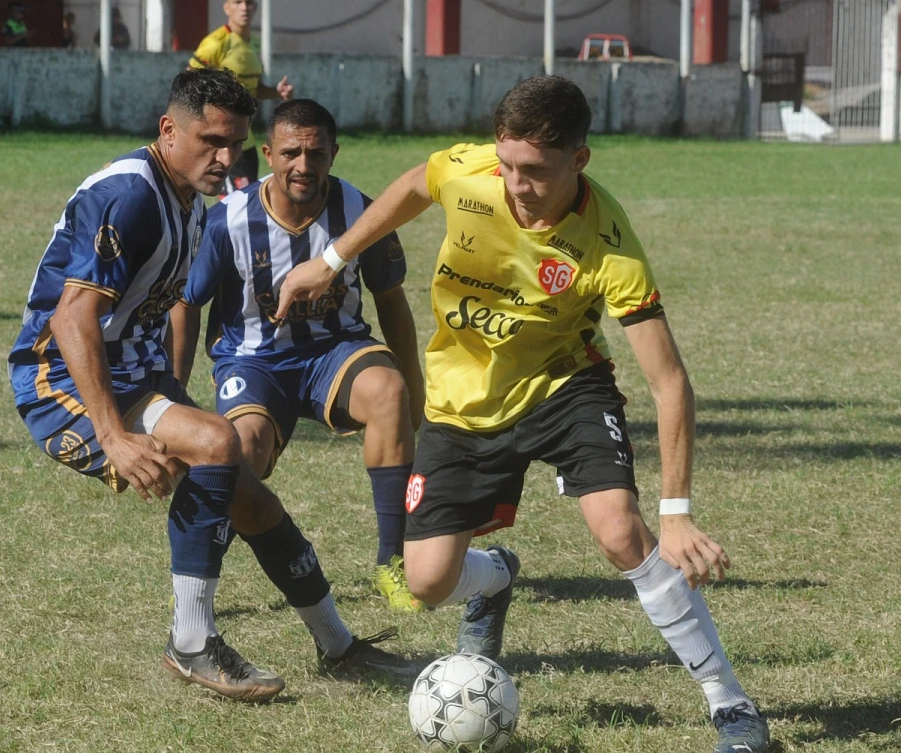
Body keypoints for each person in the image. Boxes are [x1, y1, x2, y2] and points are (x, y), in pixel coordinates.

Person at [276, 76, 771, 753]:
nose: (515, 184)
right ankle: (496, 577)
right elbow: (418, 183)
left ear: (579, 160)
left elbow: (670, 382)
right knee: (424, 583)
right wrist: (332, 259)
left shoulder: (608, 246)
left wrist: (676, 510)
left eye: (535, 171)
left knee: (620, 532)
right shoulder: (473, 170)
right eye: (507, 165)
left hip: (564, 386)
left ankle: (733, 710)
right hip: (461, 401)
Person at [7, 69, 410, 703]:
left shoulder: (188, 198)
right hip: (59, 381)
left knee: (250, 496)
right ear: (168, 130)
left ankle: (338, 646)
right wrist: (113, 436)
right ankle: (191, 640)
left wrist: (168, 387)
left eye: (236, 145)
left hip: (133, 377)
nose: (226, 159)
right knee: (221, 444)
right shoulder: (131, 195)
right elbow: (70, 316)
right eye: (211, 141)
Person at [168, 99, 426, 614]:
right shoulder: (228, 221)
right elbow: (186, 303)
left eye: (316, 153)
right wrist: (176, 396)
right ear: (267, 153)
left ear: (334, 153)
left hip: (337, 350)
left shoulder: (361, 213)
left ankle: (392, 563)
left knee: (388, 392)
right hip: (253, 362)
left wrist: (414, 387)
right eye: (290, 153)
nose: (303, 166)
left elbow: (391, 300)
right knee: (245, 449)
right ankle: (202, 568)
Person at [189, 0, 294, 194]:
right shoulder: (215, 43)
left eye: (248, 2)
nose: (244, 7)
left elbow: (252, 90)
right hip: (222, 140)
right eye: (238, 2)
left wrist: (276, 92)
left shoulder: (254, 44)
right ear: (226, 7)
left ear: (255, 7)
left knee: (245, 200)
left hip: (246, 139)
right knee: (233, 203)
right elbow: (189, 84)